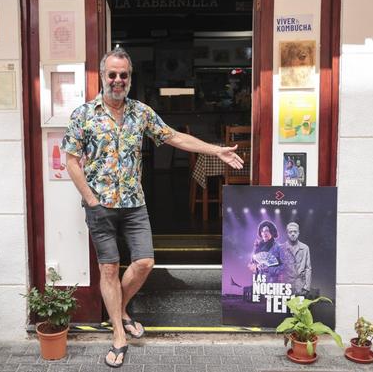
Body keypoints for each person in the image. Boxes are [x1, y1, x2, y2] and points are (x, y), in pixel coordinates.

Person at [61, 47, 244, 368]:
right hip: (99, 204)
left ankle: (119, 309)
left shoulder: (140, 113)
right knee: (108, 268)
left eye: (124, 75)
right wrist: (90, 199)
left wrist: (215, 150)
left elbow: (174, 137)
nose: (118, 80)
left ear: (130, 78)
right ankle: (119, 333)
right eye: (112, 74)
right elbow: (72, 162)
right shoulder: (84, 115)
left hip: (134, 204)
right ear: (102, 76)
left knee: (144, 262)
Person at [281, 222, 311, 296]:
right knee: (284, 306)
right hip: (285, 285)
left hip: (300, 286)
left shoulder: (305, 248)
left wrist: (307, 287)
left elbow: (308, 268)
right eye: (290, 232)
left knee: (299, 307)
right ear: (287, 233)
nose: (293, 234)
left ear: (298, 233)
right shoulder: (281, 248)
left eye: (295, 232)